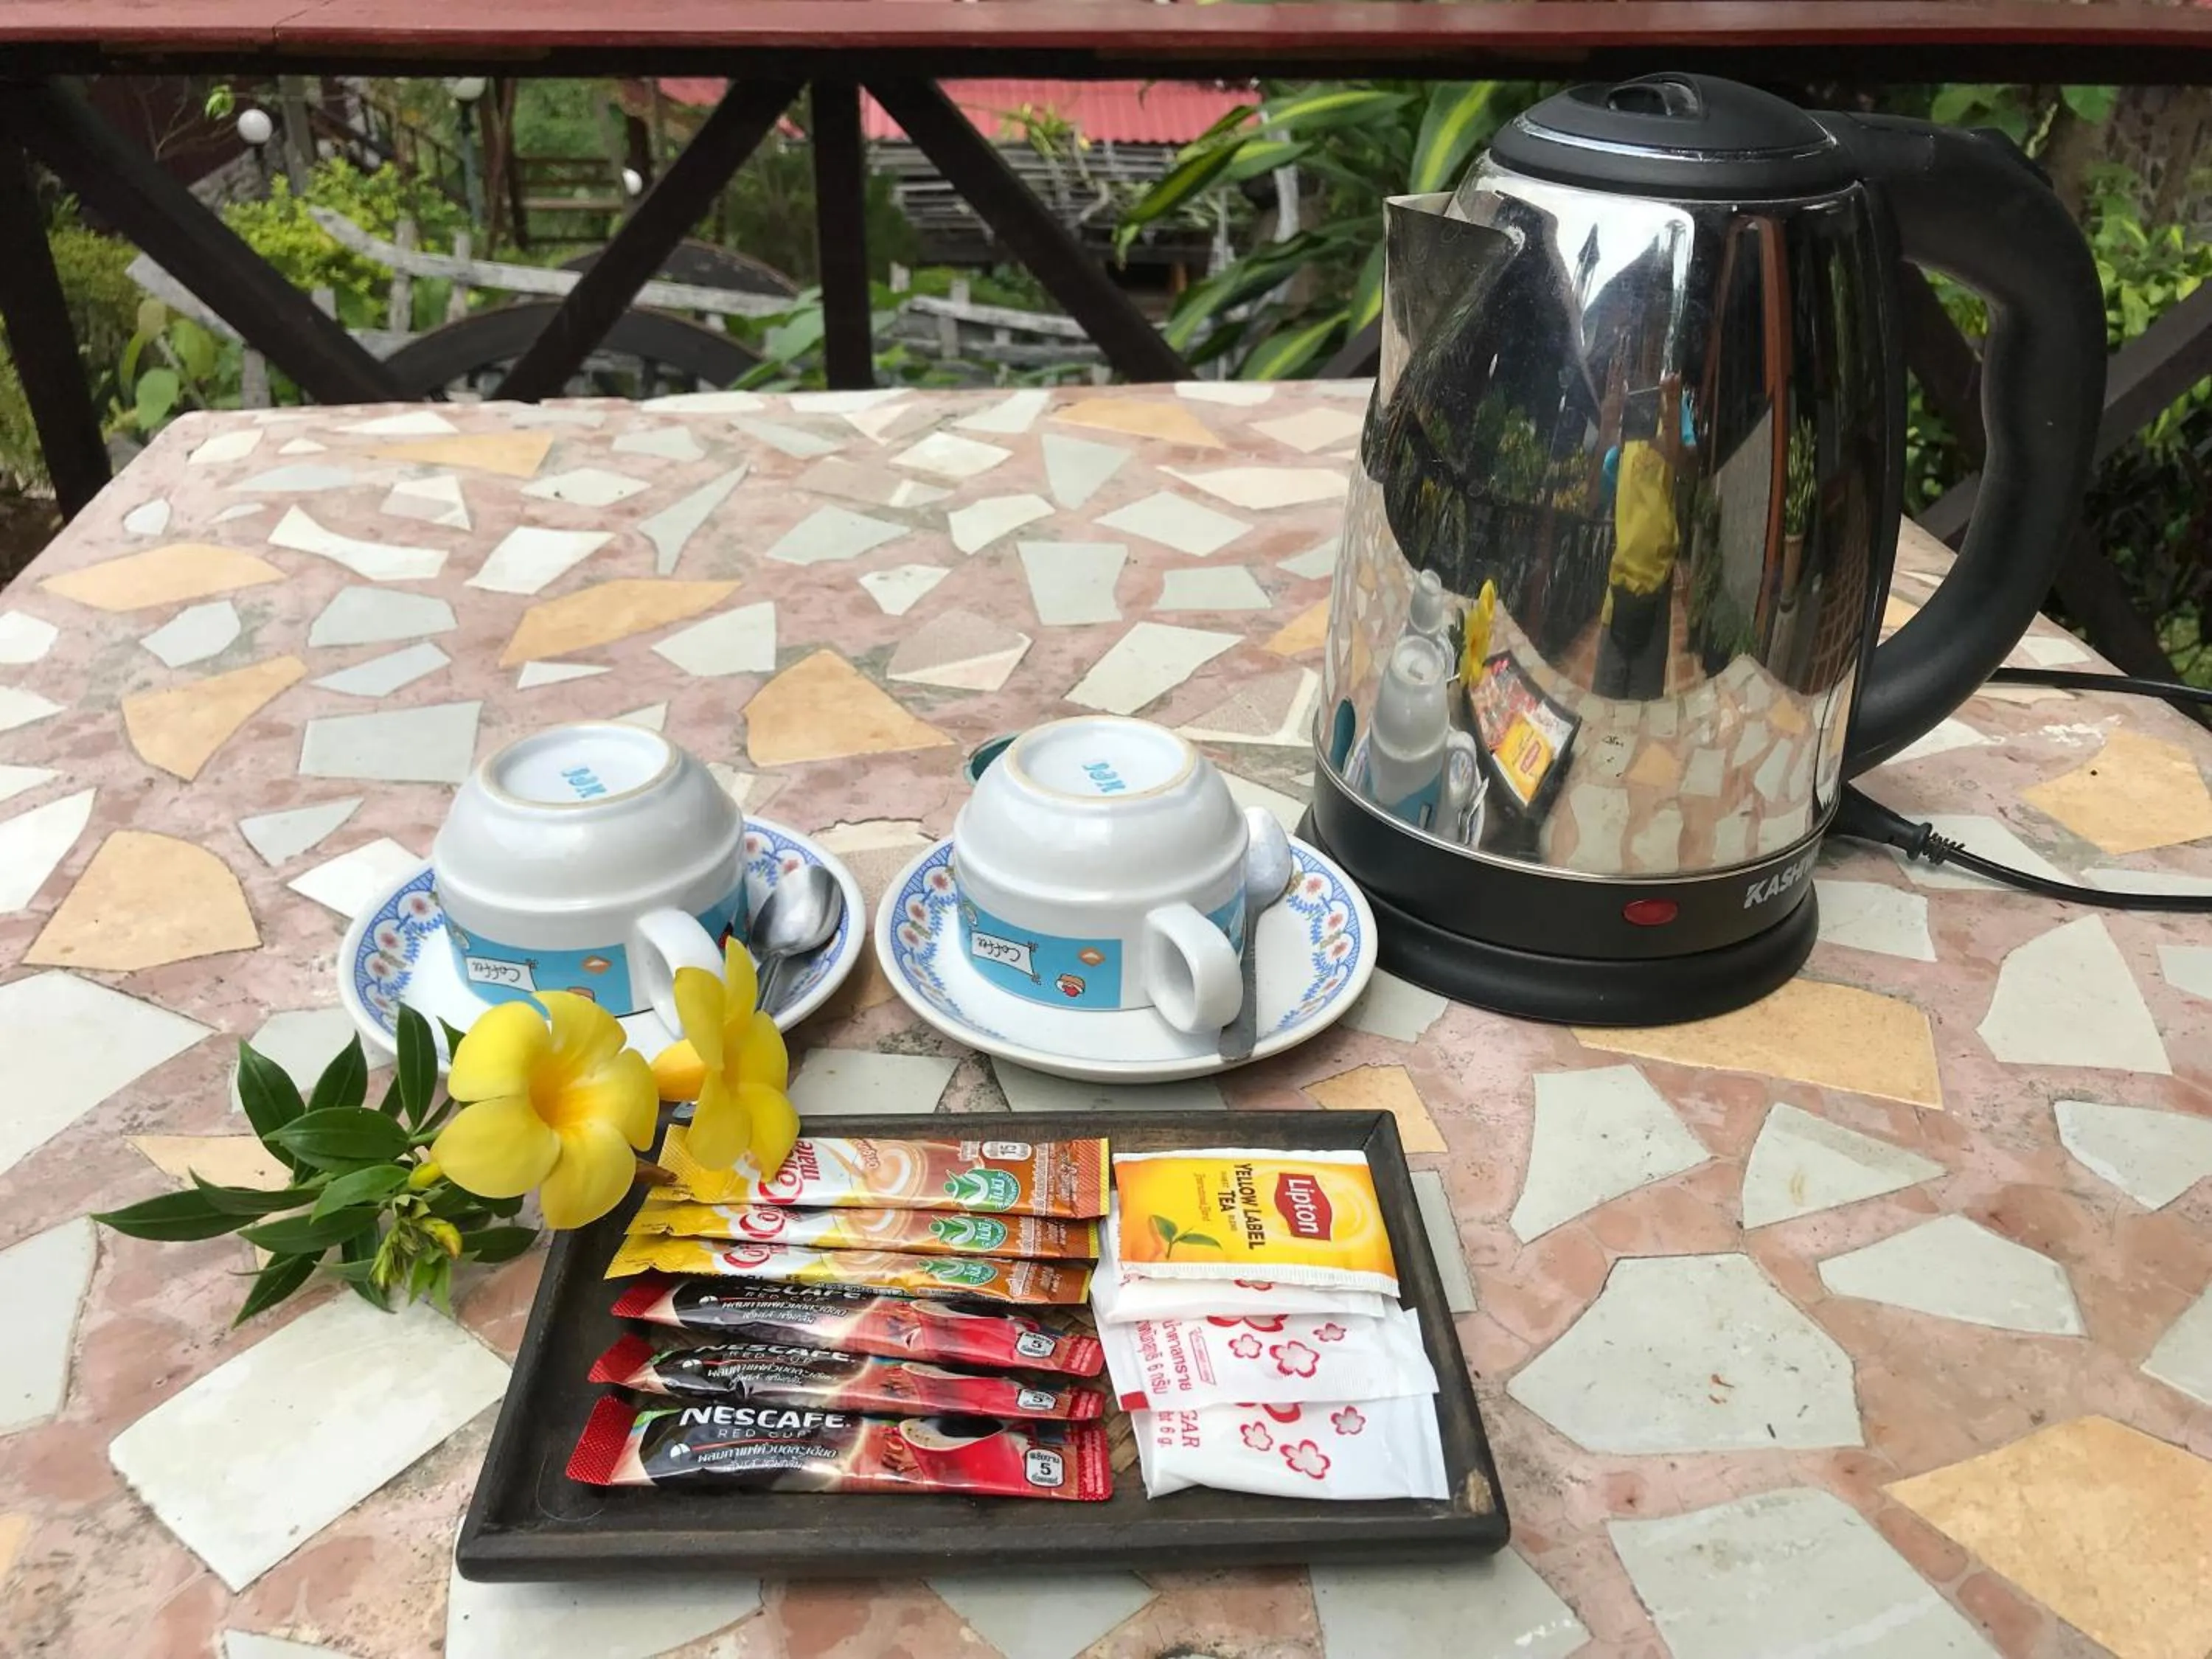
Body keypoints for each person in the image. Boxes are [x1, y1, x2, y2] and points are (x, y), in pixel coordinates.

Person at [1594, 365, 1695, 699]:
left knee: (1644, 698)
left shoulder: (1673, 405)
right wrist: (1609, 427)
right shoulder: (1623, 421)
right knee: (1605, 693)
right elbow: (1598, 492)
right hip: (1619, 583)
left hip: (1658, 583)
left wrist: (1670, 416)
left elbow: (1685, 463)